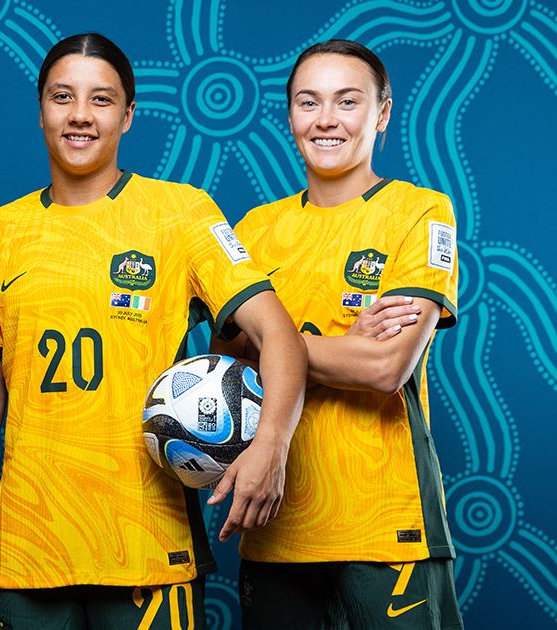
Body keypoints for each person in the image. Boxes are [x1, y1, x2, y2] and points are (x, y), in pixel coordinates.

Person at [0, 33, 307, 629]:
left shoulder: (181, 212)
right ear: (41, 109)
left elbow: (279, 336)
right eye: (63, 96)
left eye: (102, 99)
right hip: (30, 542)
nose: (81, 115)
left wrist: (270, 445)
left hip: (146, 539)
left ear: (128, 114)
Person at [214, 40, 464, 629]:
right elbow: (224, 370)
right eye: (309, 102)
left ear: (381, 114)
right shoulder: (256, 228)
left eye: (346, 101)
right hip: (273, 527)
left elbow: (385, 369)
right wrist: (338, 345)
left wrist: (273, 342)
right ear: (291, 117)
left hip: (384, 527)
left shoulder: (420, 213)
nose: (326, 119)